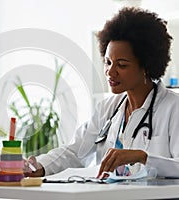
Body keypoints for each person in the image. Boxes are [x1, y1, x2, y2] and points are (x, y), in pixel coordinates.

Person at [24, 6, 179, 179]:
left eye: (122, 65)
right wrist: (39, 166)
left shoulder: (173, 108)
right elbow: (75, 152)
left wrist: (142, 157)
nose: (110, 72)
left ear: (146, 66)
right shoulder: (107, 109)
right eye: (108, 62)